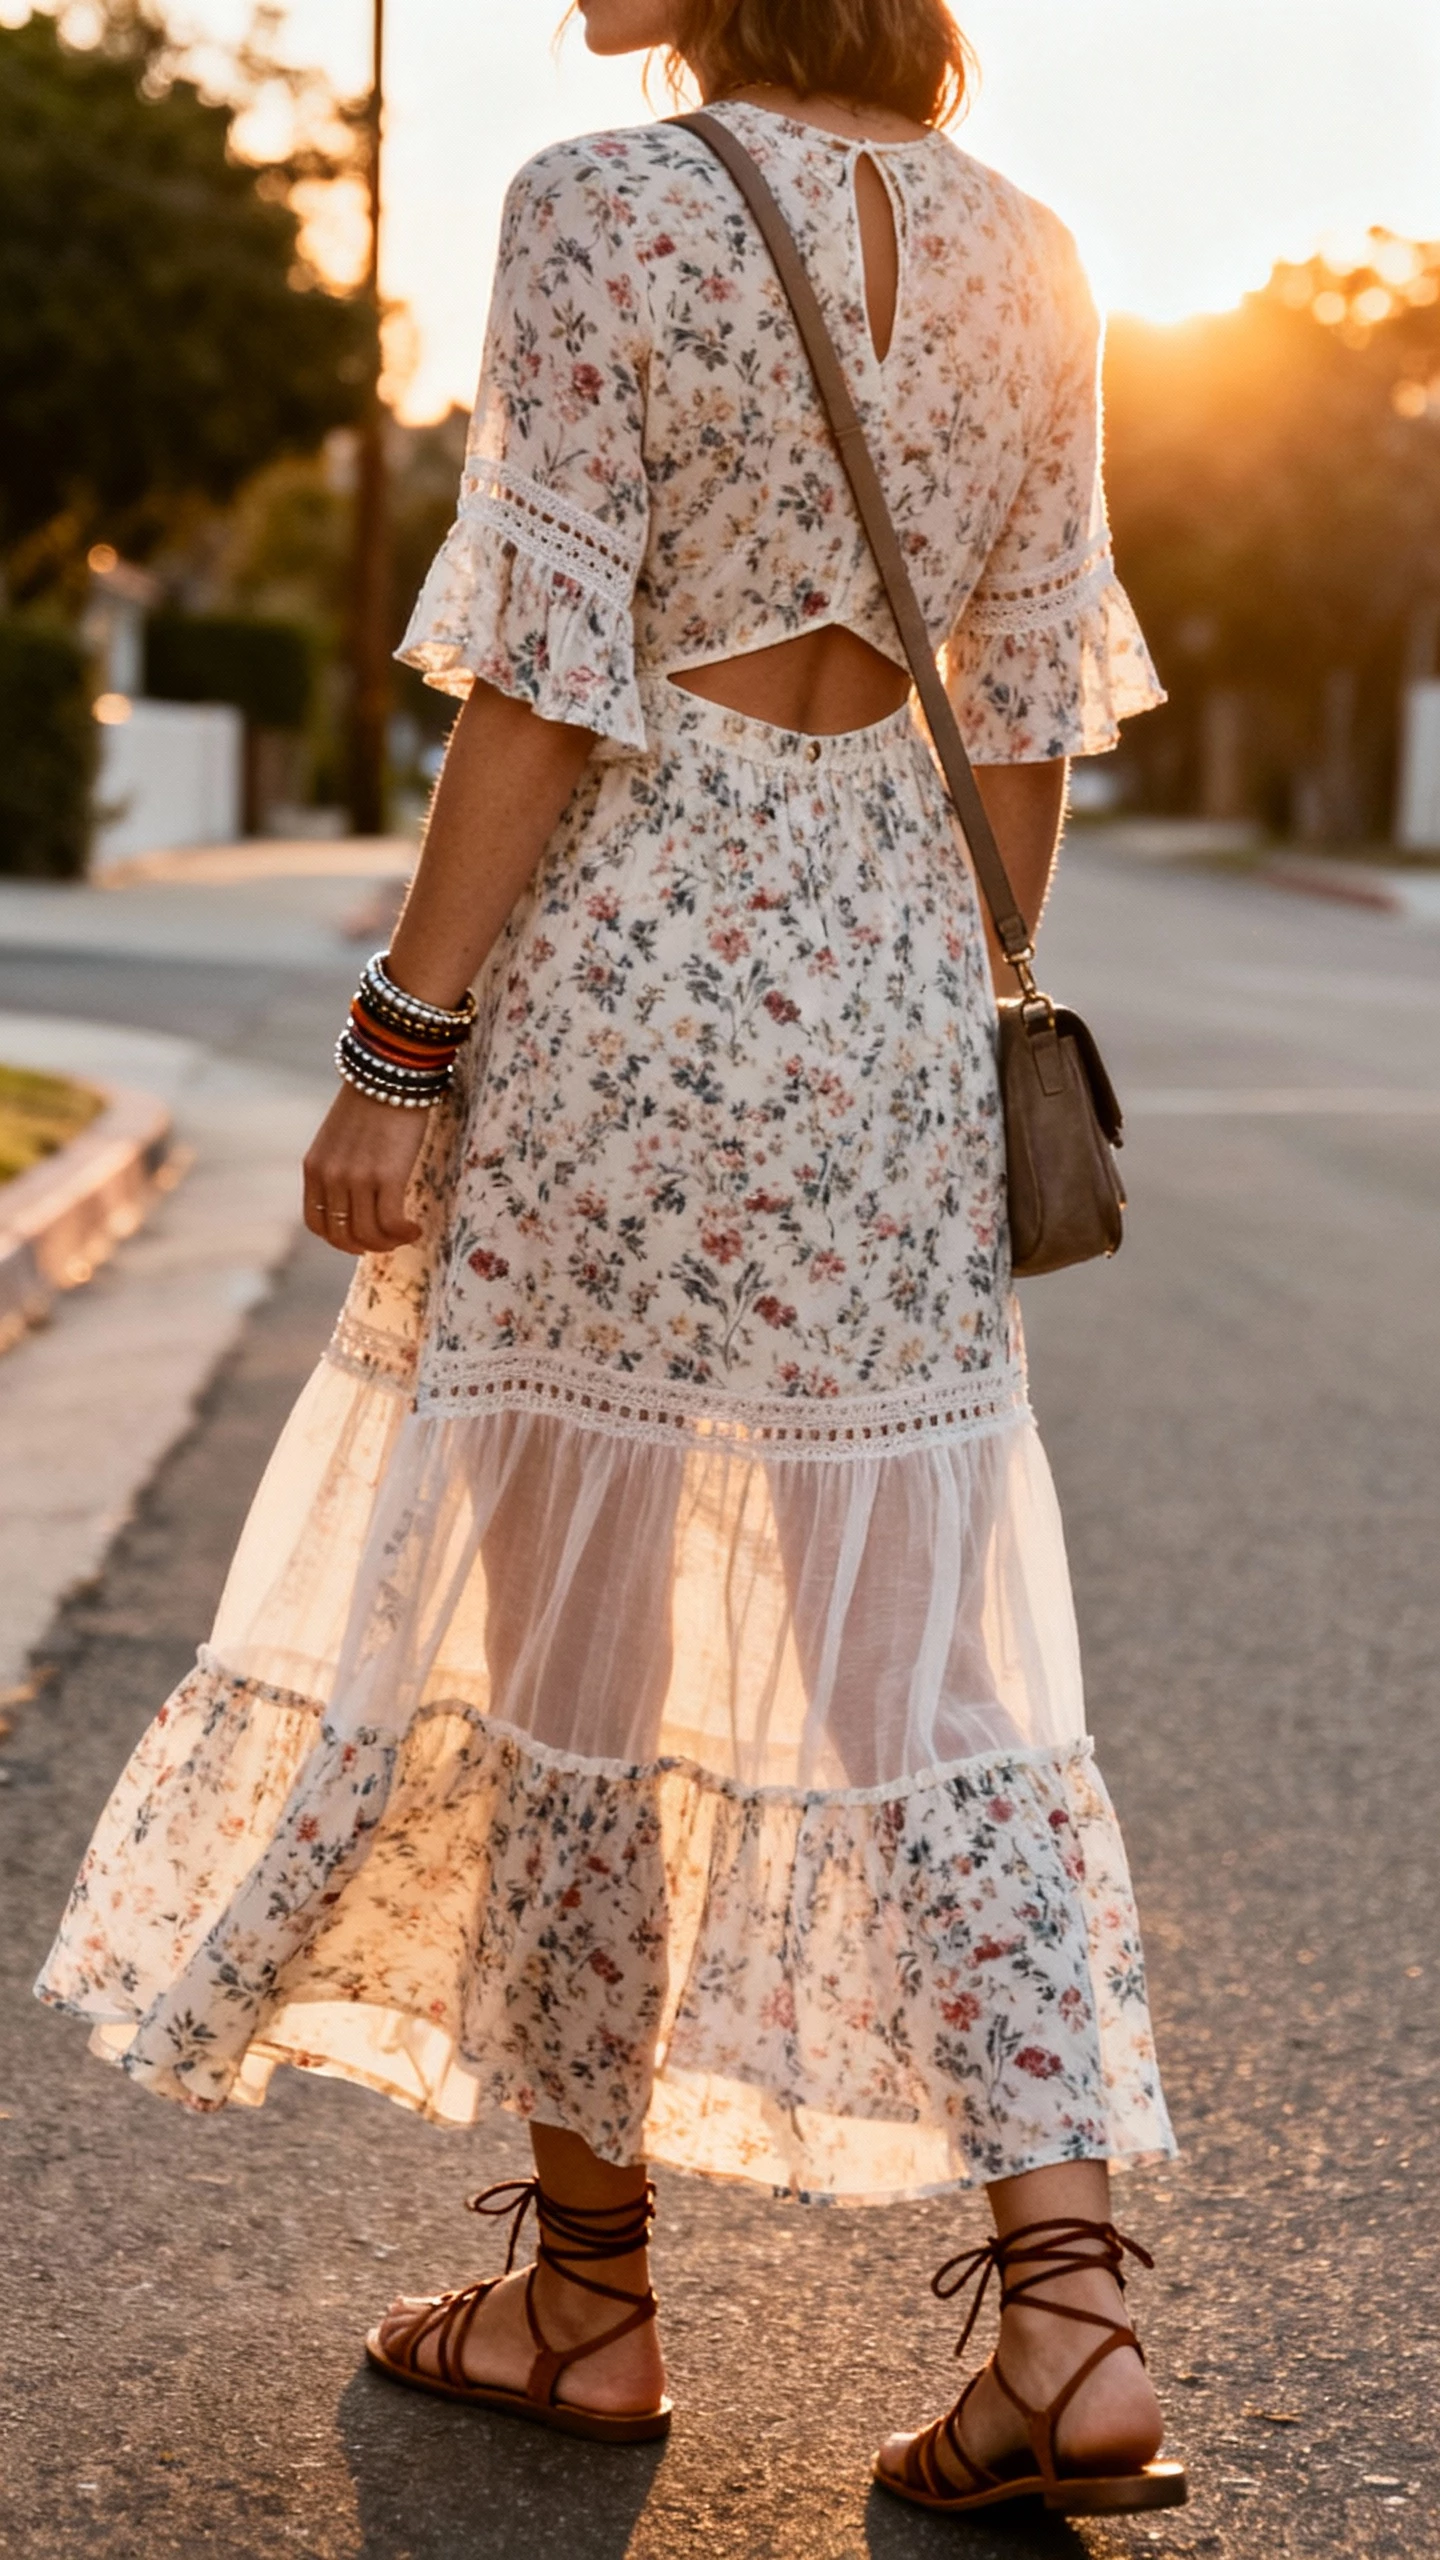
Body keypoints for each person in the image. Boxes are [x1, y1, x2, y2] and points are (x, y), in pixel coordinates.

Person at [38, 0, 1187, 2516]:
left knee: (578, 1665)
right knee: (931, 1657)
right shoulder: (1047, 260)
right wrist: (921, 993)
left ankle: (584, 2295)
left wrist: (396, 1039)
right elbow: (1020, 729)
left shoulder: (604, 202)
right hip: (889, 997)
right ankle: (1074, 2318)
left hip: (624, 998)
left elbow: (543, 692)